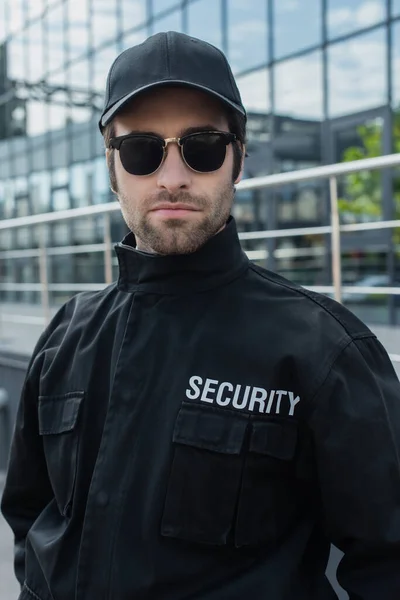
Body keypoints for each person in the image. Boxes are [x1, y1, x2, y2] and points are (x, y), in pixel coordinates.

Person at [1, 31, 400, 600]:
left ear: (237, 159)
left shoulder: (323, 350)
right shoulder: (66, 335)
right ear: (112, 167)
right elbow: (29, 517)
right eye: (141, 150)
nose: (172, 177)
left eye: (203, 145)